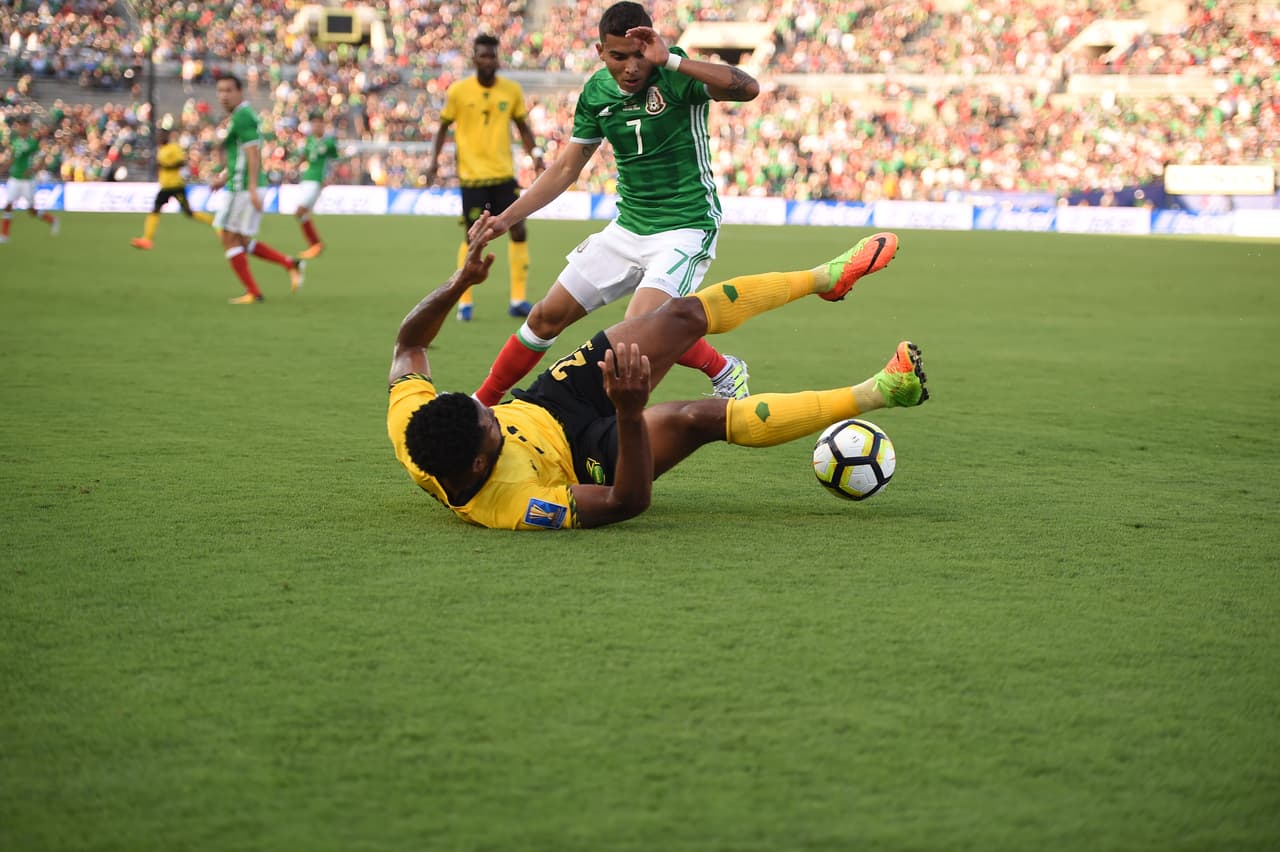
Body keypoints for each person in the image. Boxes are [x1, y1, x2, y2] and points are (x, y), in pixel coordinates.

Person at [388, 215, 920, 530]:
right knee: (697, 417)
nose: (492, 413)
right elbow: (627, 501)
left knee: (681, 315)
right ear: (482, 461)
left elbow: (410, 342)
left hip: (548, 402)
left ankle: (825, 277)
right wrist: (628, 410)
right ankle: (881, 391)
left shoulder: (415, 423)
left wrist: (461, 280)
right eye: (491, 425)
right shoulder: (514, 504)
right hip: (588, 457)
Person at [467, 1, 760, 408]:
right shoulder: (596, 92)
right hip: (627, 228)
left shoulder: (673, 74)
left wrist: (671, 62)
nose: (632, 67)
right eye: (619, 57)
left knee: (636, 331)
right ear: (600, 52)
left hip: (684, 226)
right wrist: (505, 218)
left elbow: (747, 88)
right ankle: (481, 405)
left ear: (652, 46)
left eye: (640, 55)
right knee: (544, 318)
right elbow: (567, 167)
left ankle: (622, 423)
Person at [424, 33, 545, 322]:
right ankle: (464, 302)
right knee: (473, 237)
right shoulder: (459, 91)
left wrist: (536, 155)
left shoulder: (511, 91)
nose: (488, 60)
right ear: (474, 58)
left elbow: (523, 127)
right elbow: (442, 128)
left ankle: (518, 299)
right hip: (473, 178)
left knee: (518, 230)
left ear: (497, 57)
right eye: (483, 55)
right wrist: (433, 163)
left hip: (503, 175)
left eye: (492, 55)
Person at [209, 74, 305, 304]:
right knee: (240, 239)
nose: (223, 95)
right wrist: (223, 177)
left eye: (228, 90)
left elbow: (253, 152)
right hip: (240, 184)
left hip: (242, 188)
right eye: (220, 90)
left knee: (227, 236)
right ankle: (289, 263)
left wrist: (251, 187)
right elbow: (239, 155)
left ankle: (253, 291)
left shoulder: (242, 116)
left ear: (239, 92)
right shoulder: (240, 116)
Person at [130, 127, 215, 250]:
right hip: (165, 186)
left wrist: (166, 165)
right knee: (155, 209)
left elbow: (181, 163)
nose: (160, 138)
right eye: (159, 136)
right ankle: (147, 239)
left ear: (167, 137)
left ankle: (216, 222)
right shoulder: (161, 150)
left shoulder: (174, 147)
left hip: (175, 185)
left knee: (188, 212)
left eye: (162, 135)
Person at [2, 113, 60, 244]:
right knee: (8, 205)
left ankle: (52, 220)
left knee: (31, 211)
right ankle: (4, 235)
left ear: (28, 127)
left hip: (27, 181)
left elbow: (44, 158)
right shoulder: (15, 141)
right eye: (19, 125)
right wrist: (2, 169)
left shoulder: (33, 143)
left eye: (24, 125)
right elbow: (11, 159)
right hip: (14, 178)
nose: (21, 128)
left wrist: (34, 169)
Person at [293, 118, 344, 259]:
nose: (316, 126)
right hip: (306, 179)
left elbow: (336, 161)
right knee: (302, 214)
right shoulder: (309, 140)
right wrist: (296, 164)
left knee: (299, 211)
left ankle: (315, 244)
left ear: (323, 126)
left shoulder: (329, 143)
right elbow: (304, 156)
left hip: (317, 181)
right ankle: (315, 245)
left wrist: (331, 177)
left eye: (319, 124)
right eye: (314, 124)